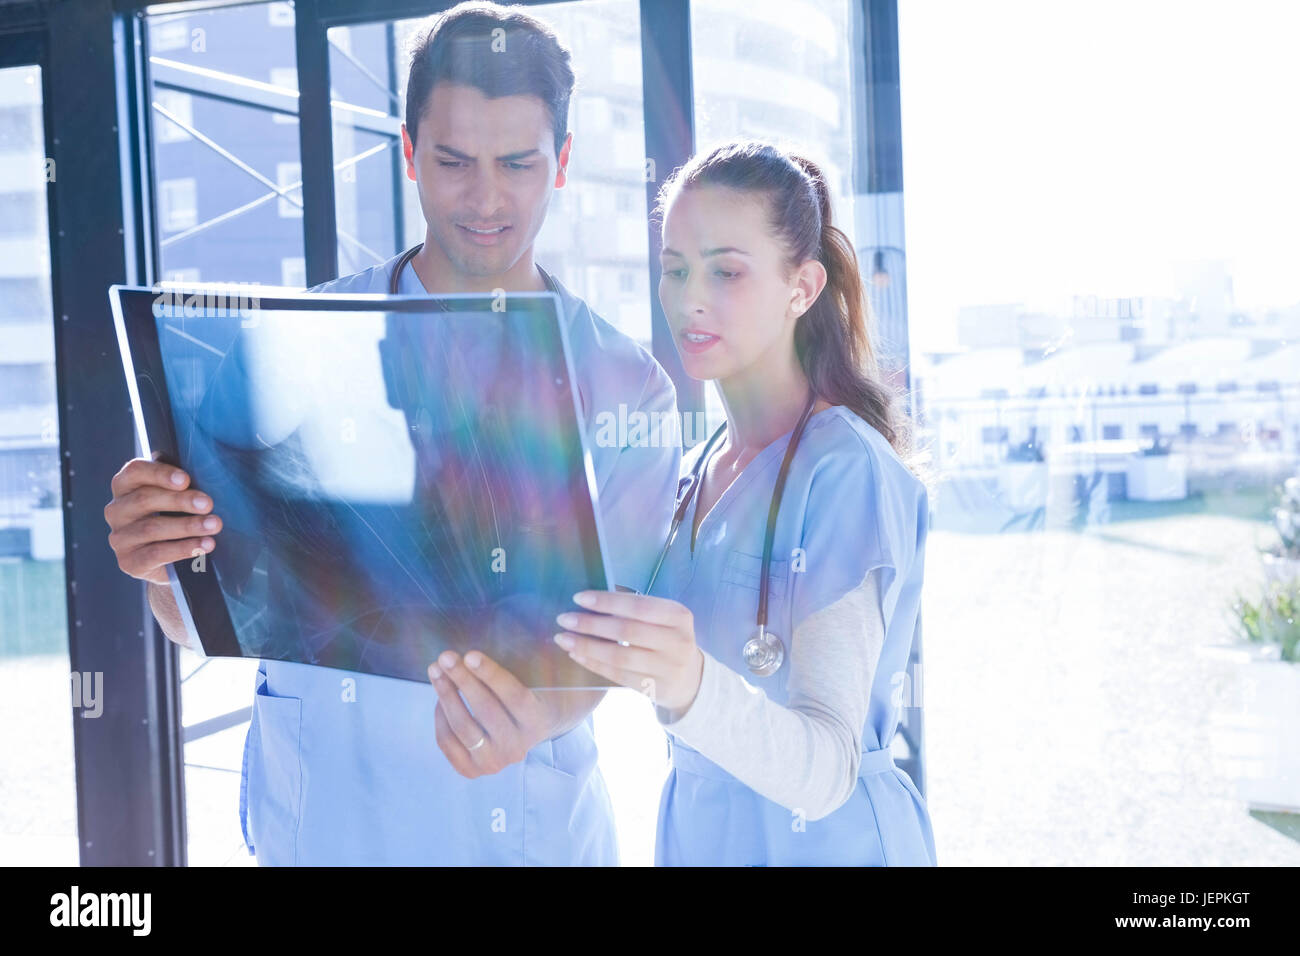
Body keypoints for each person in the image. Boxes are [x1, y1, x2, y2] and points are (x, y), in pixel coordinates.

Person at [102, 1, 680, 865]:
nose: (485, 199)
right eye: (452, 161)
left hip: (517, 829)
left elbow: (600, 650)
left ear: (560, 163)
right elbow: (203, 612)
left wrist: (532, 717)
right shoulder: (279, 354)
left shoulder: (627, 386)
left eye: (517, 163)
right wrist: (157, 561)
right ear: (408, 153)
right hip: (324, 822)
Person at [554, 140, 937, 865]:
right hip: (702, 833)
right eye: (675, 269)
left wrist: (688, 681)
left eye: (727, 270)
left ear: (803, 287)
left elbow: (826, 767)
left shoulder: (845, 472)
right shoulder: (695, 470)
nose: (690, 296)